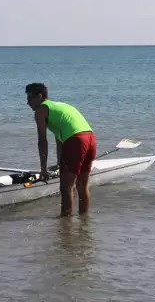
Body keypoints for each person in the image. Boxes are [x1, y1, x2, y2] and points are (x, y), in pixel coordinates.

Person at [24, 83, 97, 217]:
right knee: (82, 185)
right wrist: (59, 164)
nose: (27, 102)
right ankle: (84, 223)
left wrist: (43, 170)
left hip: (76, 140)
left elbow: (42, 141)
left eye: (29, 98)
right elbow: (61, 140)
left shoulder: (41, 110)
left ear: (40, 96)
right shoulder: (61, 106)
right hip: (90, 137)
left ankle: (65, 228)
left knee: (65, 188)